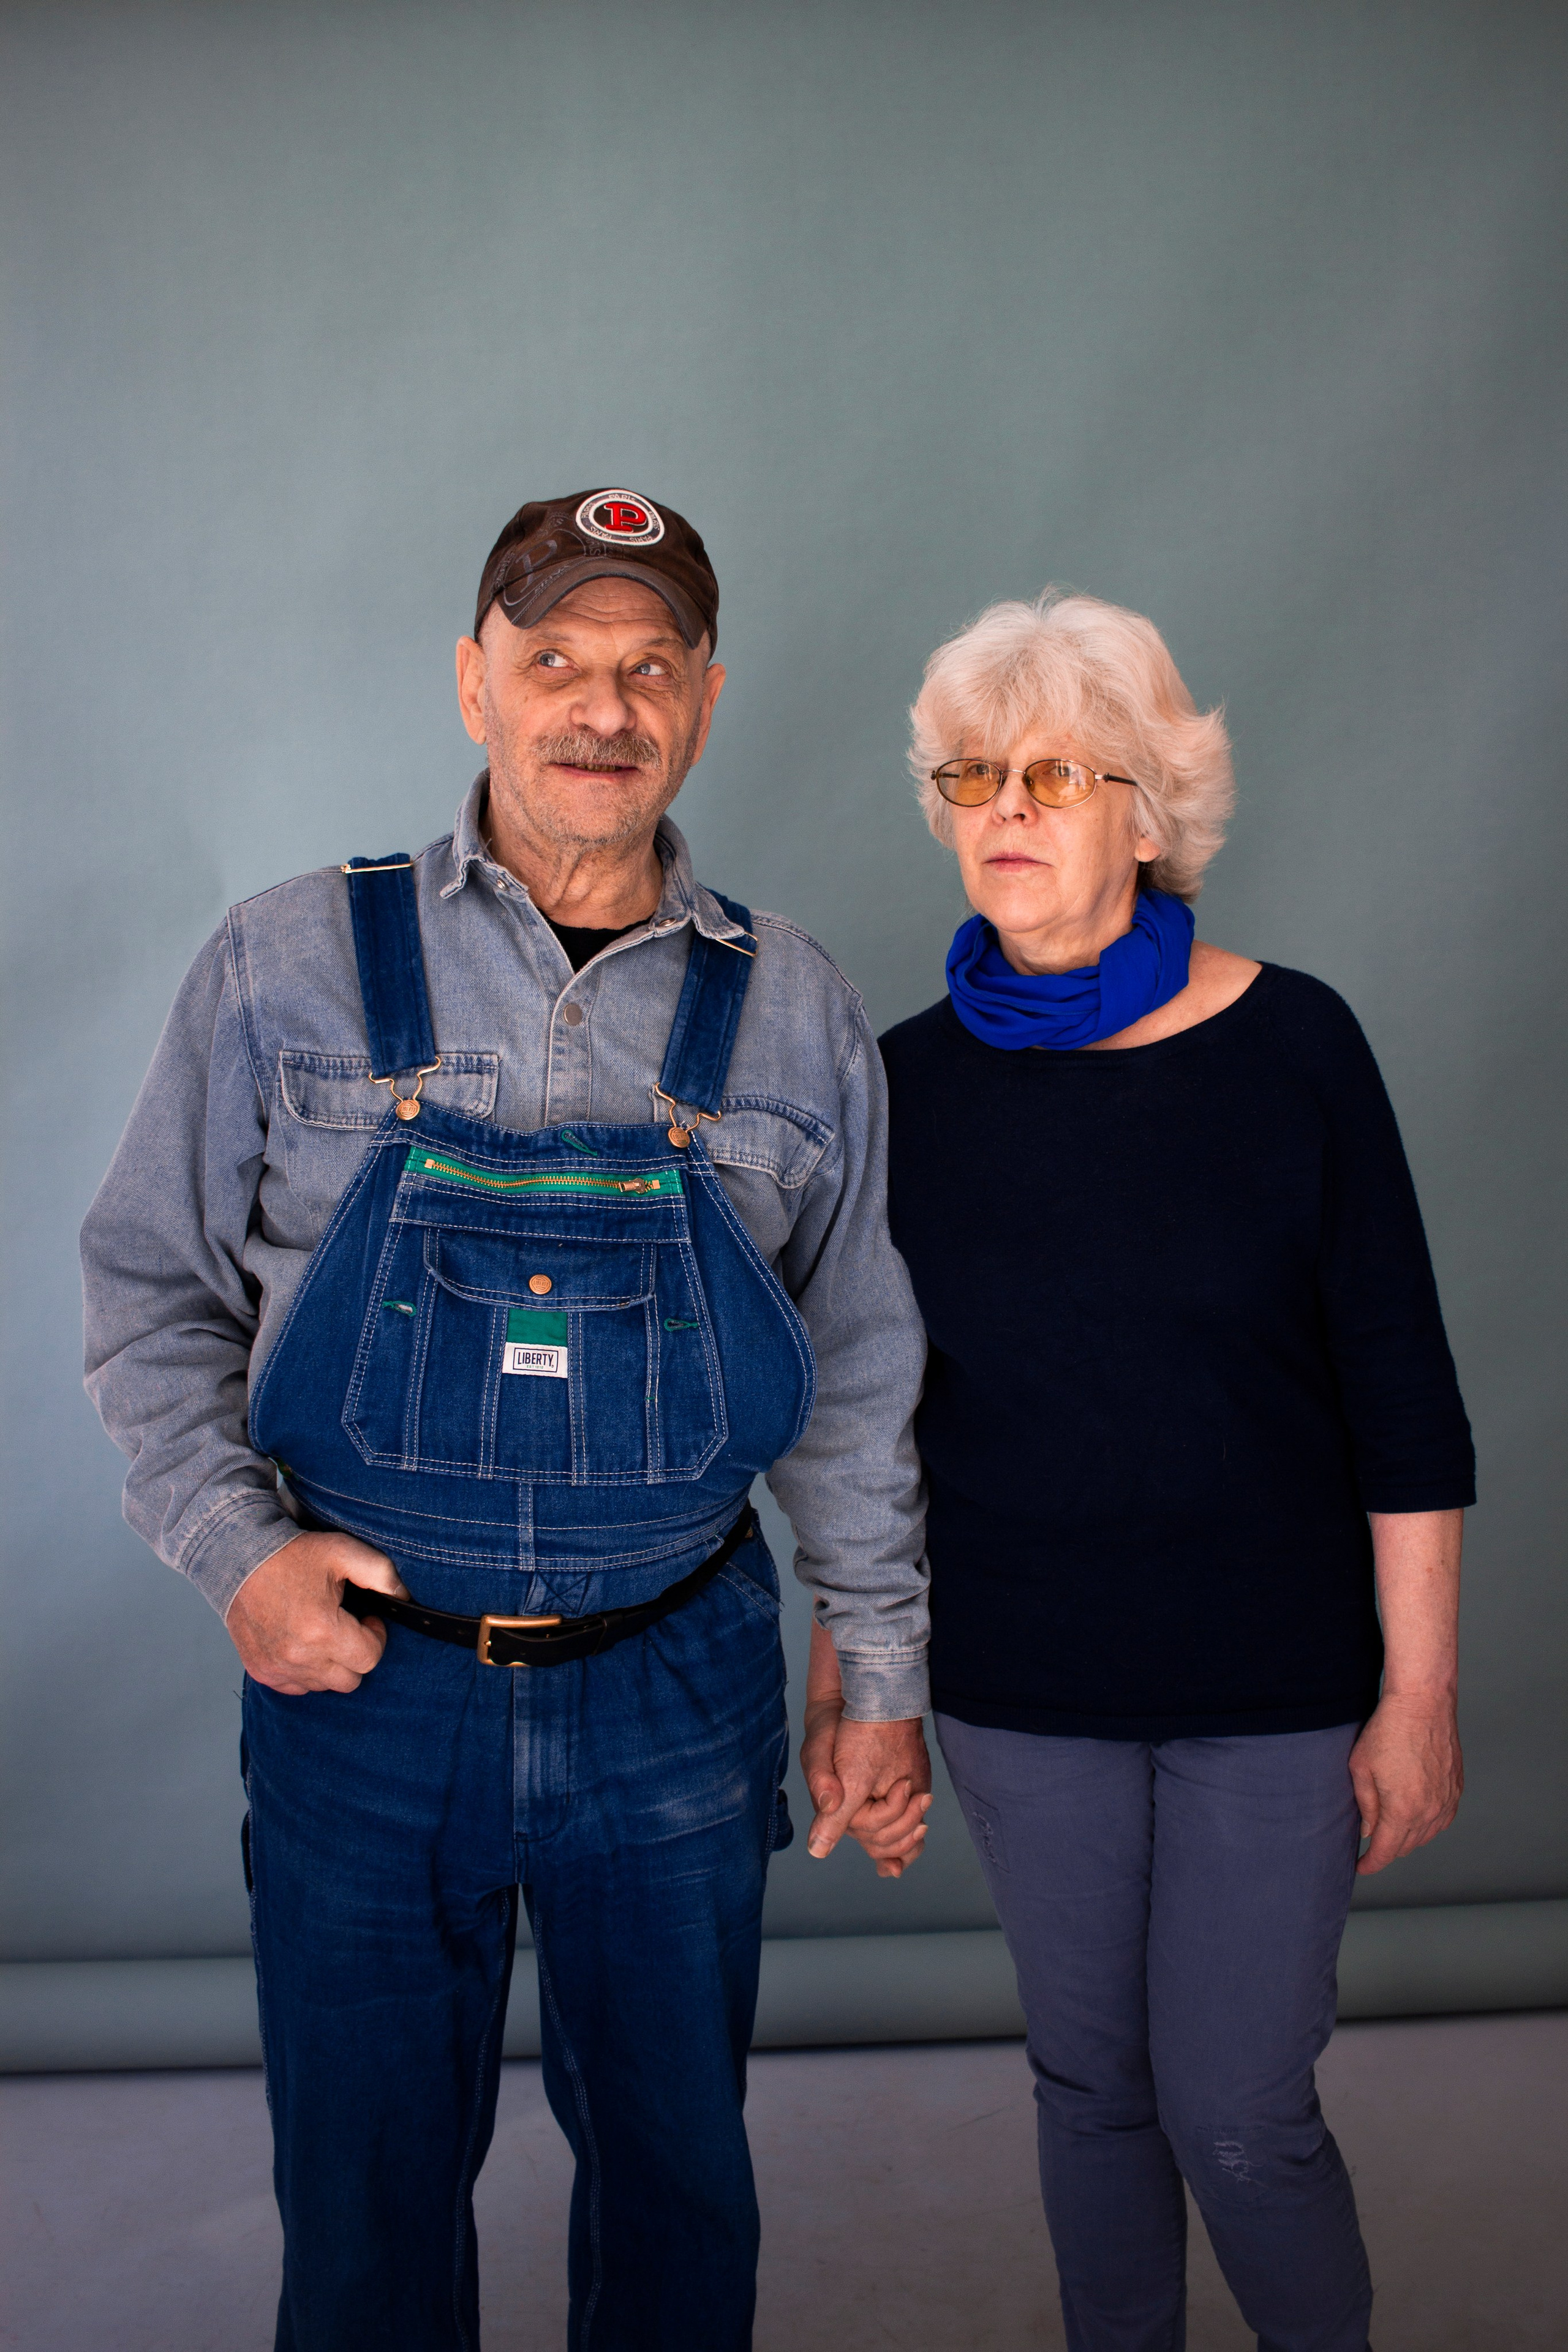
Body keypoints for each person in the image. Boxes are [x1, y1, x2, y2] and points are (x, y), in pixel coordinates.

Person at [81, 488, 933, 2352]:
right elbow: (148, 1294)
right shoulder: (287, 961)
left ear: (705, 698)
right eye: (553, 660)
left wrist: (876, 1661)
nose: (599, 707)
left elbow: (859, 1366)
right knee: (366, 2220)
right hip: (367, 1687)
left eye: (647, 668)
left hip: (678, 1685)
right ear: (475, 682)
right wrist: (240, 1558)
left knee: (681, 2198)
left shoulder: (789, 1010)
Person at [808, 590, 1474, 2352]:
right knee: (1092, 2092)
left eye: (1054, 772)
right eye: (972, 774)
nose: (1004, 810)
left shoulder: (1299, 1049)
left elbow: (1404, 1394)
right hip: (1025, 1691)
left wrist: (1420, 1694)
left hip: (1276, 1692)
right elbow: (870, 1421)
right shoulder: (903, 1090)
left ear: (1150, 808)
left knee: (1238, 2112)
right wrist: (857, 1686)